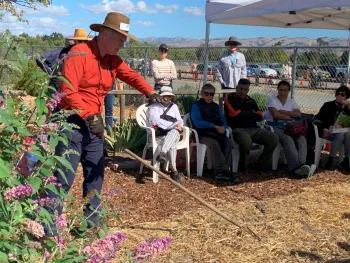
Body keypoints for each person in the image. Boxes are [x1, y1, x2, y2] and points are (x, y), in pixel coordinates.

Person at [44, 12, 158, 236]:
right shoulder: (78, 54)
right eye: (120, 39)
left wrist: (151, 92)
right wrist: (89, 116)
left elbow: (131, 76)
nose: (122, 44)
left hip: (92, 123)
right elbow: (67, 92)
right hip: (71, 123)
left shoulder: (112, 60)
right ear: (105, 34)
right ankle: (48, 231)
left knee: (96, 174)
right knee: (63, 178)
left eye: (124, 40)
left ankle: (89, 224)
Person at [224, 78, 279, 173]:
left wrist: (242, 114)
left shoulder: (251, 101)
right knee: (246, 142)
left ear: (248, 90)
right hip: (238, 129)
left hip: (254, 128)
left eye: (245, 89)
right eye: (241, 89)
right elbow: (234, 115)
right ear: (236, 88)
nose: (242, 91)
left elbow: (259, 116)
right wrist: (251, 113)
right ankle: (243, 166)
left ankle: (261, 165)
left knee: (273, 138)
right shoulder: (229, 99)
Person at [265, 80, 316, 178]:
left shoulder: (291, 101)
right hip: (274, 126)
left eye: (285, 90)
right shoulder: (272, 99)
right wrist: (289, 116)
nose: (283, 92)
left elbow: (298, 114)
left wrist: (282, 111)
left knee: (302, 139)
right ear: (277, 90)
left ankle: (302, 165)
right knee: (287, 139)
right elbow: (275, 115)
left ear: (288, 91)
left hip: (290, 126)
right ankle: (296, 168)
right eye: (281, 90)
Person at [191, 83, 240, 183]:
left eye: (211, 94)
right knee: (214, 144)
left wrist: (224, 127)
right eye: (206, 94)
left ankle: (222, 172)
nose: (209, 96)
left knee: (228, 143)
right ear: (202, 94)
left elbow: (223, 120)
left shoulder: (216, 107)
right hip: (202, 134)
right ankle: (223, 171)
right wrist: (212, 126)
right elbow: (197, 122)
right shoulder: (196, 106)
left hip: (216, 132)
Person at [148, 86, 183, 182]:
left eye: (169, 96)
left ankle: (163, 152)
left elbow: (179, 120)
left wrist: (179, 125)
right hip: (158, 134)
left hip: (170, 133)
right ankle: (174, 170)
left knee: (174, 132)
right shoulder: (154, 107)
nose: (167, 98)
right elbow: (156, 122)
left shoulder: (174, 106)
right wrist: (172, 125)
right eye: (164, 96)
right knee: (174, 136)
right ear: (160, 96)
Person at [312, 85, 350, 171]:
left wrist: (346, 107)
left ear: (346, 97)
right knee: (340, 134)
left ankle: (346, 160)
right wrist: (323, 129)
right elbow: (317, 119)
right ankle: (331, 160)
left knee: (347, 133)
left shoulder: (348, 108)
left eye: (342, 95)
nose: (339, 96)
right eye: (338, 93)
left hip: (344, 133)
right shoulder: (328, 105)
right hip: (330, 133)